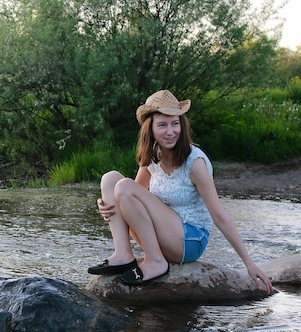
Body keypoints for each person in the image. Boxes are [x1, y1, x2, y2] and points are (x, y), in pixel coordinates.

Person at [88, 89, 273, 293]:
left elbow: (220, 217)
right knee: (110, 179)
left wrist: (249, 263)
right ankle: (123, 254)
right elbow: (130, 197)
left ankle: (156, 261)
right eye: (162, 125)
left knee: (123, 187)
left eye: (175, 123)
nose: (170, 131)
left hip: (189, 240)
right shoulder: (153, 155)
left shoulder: (195, 163)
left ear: (182, 125)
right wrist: (108, 207)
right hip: (163, 234)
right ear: (150, 129)